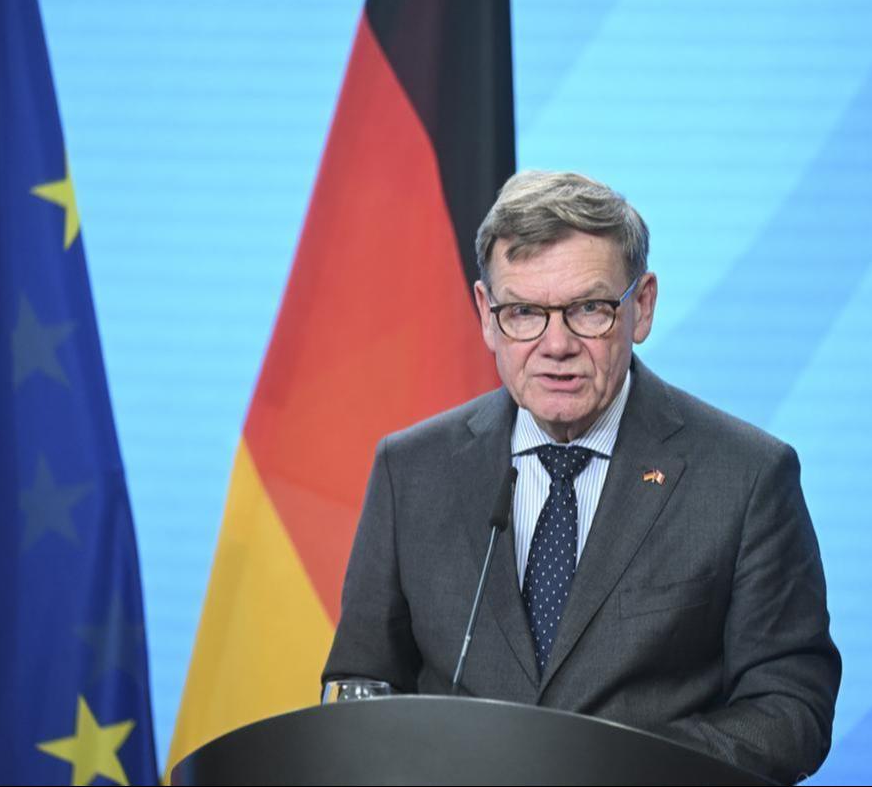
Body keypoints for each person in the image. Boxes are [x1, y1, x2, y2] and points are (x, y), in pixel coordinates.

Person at [323, 170, 841, 784]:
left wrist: (618, 769)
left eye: (588, 309)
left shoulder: (746, 475)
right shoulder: (411, 469)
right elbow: (361, 684)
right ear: (487, 315)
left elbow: (791, 708)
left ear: (640, 306)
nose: (556, 344)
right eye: (524, 313)